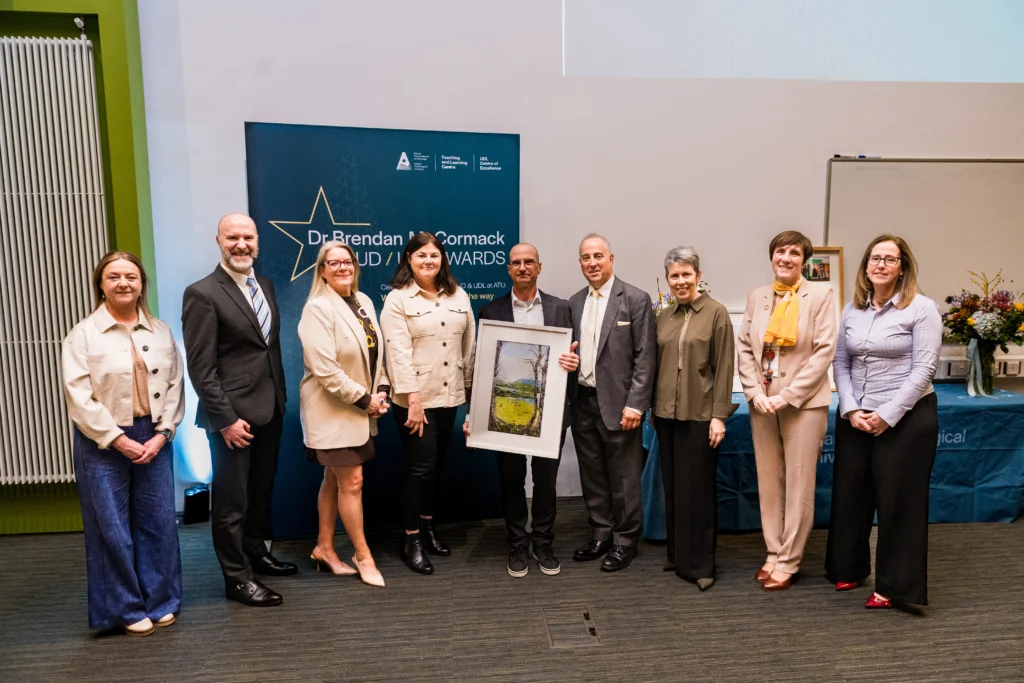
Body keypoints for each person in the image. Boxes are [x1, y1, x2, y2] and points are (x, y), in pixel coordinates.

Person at [61, 251, 185, 636]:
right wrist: (117, 439)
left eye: (130, 276)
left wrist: (164, 432)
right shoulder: (83, 334)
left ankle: (161, 600)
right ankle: (127, 608)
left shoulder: (160, 330)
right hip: (103, 442)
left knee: (160, 523)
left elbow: (176, 384)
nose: (123, 283)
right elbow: (78, 395)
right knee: (110, 528)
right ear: (101, 283)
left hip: (155, 438)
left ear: (141, 283)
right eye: (114, 276)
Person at [181, 213, 294, 607]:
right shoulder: (202, 293)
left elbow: (267, 350)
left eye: (248, 237)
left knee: (260, 493)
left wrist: (279, 399)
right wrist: (226, 420)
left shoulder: (264, 284)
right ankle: (237, 578)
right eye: (233, 238)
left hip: (269, 410)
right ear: (219, 241)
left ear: (257, 241)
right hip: (232, 418)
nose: (241, 244)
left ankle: (256, 554)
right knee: (231, 503)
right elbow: (201, 367)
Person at [825, 235, 942, 610]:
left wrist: (887, 415)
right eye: (874, 258)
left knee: (899, 503)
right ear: (865, 266)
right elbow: (841, 363)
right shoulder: (851, 310)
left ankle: (895, 587)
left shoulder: (922, 309)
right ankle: (849, 567)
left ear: (902, 267)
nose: (880, 264)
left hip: (906, 418)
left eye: (889, 259)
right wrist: (851, 408)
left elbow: (924, 368)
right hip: (856, 416)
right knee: (850, 494)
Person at [464, 243, 580, 578]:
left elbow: (574, 353)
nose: (523, 267)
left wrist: (573, 362)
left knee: (546, 482)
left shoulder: (561, 308)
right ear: (509, 269)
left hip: (551, 415)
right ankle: (517, 542)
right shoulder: (491, 312)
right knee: (511, 480)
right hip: (506, 420)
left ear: (539, 267)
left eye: (529, 262)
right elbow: (483, 367)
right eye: (516, 263)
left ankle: (543, 542)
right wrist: (475, 413)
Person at [736, 230, 836, 591]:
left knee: (798, 483)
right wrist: (753, 391)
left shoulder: (821, 295)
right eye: (781, 251)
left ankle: (790, 560)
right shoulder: (757, 296)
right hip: (762, 401)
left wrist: (789, 395)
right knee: (769, 479)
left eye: (795, 253)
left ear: (804, 260)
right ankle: (773, 550)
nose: (787, 258)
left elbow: (824, 352)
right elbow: (746, 348)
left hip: (803, 403)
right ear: (771, 256)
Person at [380, 232, 475, 575]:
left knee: (436, 467)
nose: (428, 261)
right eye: (420, 256)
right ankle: (411, 539)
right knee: (420, 470)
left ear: (442, 259)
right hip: (415, 401)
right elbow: (397, 353)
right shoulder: (398, 300)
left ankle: (429, 527)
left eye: (434, 255)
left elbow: (469, 348)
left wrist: (471, 398)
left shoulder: (458, 294)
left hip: (449, 398)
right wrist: (413, 400)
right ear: (408, 259)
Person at [298, 241, 389, 588]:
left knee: (335, 479)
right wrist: (365, 399)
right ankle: (362, 555)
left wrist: (381, 391)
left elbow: (376, 355)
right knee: (352, 481)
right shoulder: (317, 309)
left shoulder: (363, 301)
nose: (341, 267)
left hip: (360, 407)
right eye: (332, 263)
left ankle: (324, 548)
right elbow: (326, 370)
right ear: (322, 270)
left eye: (346, 261)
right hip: (331, 410)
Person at [651, 247, 737, 591]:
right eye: (675, 275)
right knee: (673, 487)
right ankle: (677, 556)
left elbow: (725, 367)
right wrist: (653, 410)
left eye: (687, 274)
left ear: (698, 276)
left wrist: (719, 416)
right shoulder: (664, 315)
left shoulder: (716, 314)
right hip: (666, 415)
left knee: (697, 492)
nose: (681, 281)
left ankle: (701, 565)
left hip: (701, 414)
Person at [569, 234, 656, 572]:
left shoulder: (635, 299)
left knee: (623, 477)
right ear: (580, 263)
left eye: (598, 256)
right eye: (586, 257)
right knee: (592, 474)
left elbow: (645, 357)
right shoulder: (574, 302)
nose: (592, 263)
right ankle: (601, 533)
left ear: (611, 259)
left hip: (621, 406)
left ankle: (624, 541)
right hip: (583, 402)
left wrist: (636, 404)